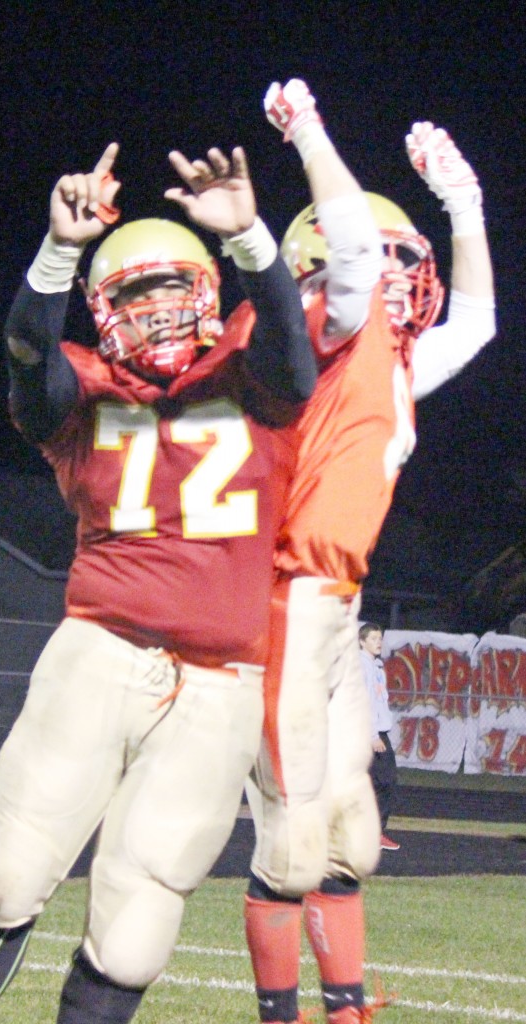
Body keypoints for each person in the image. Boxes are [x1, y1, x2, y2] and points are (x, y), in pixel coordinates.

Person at [0, 142, 316, 1024]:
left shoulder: (252, 379)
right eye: (136, 298)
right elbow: (27, 350)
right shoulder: (82, 394)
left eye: (174, 292)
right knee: (10, 871)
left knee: (141, 910)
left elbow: (293, 348)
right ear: (103, 311)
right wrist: (58, 251)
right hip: (102, 653)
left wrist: (252, 234)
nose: (158, 315)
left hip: (219, 686)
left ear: (209, 296)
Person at [244, 80, 496, 1024]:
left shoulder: (387, 359)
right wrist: (309, 133)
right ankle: (281, 1014)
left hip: (335, 611)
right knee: (295, 842)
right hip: (276, 604)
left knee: (352, 835)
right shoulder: (316, 337)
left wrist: (464, 208)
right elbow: (347, 255)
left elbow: (475, 323)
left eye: (406, 255)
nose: (391, 268)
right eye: (377, 254)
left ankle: (346, 1011)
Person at [358, 623, 398, 851]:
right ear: (362, 641)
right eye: (373, 638)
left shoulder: (376, 666)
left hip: (376, 731)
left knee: (374, 782)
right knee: (386, 781)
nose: (379, 642)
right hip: (368, 732)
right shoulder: (362, 666)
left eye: (380, 638)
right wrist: (373, 735)